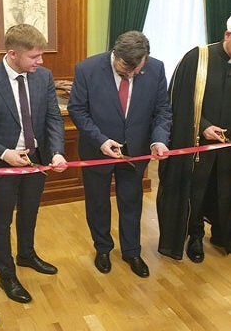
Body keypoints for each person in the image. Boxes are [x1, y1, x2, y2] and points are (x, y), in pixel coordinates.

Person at [0, 24, 67, 304]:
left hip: (37, 161)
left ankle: (26, 255)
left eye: (41, 55)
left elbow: (53, 118)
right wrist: (4, 153)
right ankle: (6, 274)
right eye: (34, 56)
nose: (40, 61)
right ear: (12, 54)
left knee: (29, 212)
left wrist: (56, 152)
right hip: (2, 165)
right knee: (2, 220)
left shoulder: (44, 77)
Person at [157, 12, 231, 264]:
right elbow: (179, 102)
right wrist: (203, 127)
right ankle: (195, 236)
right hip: (198, 144)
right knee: (196, 191)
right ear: (227, 35)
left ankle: (225, 236)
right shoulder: (197, 58)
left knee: (227, 191)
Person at [67, 30, 171, 278]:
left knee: (131, 201)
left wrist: (158, 140)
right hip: (97, 149)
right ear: (115, 54)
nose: (131, 74)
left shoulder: (156, 68)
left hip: (136, 151)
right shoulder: (87, 69)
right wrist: (101, 140)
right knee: (97, 202)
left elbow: (162, 110)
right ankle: (103, 248)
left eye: (137, 69)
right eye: (126, 69)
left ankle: (132, 251)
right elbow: (77, 110)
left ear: (146, 59)